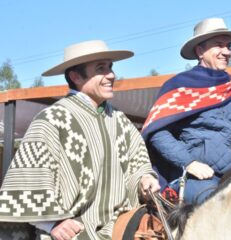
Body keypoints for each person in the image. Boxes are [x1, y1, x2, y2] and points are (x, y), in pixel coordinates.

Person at [0, 40, 160, 240]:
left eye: (110, 67)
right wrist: (52, 223)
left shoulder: (120, 120)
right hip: (74, 234)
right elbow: (25, 183)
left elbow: (138, 162)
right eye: (101, 69)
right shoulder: (52, 120)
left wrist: (145, 179)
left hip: (121, 229)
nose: (111, 75)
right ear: (75, 76)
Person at [141, 18, 231, 204]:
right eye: (219, 45)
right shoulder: (179, 87)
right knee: (216, 209)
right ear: (200, 50)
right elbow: (157, 134)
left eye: (228, 46)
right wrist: (189, 163)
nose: (226, 51)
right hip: (196, 180)